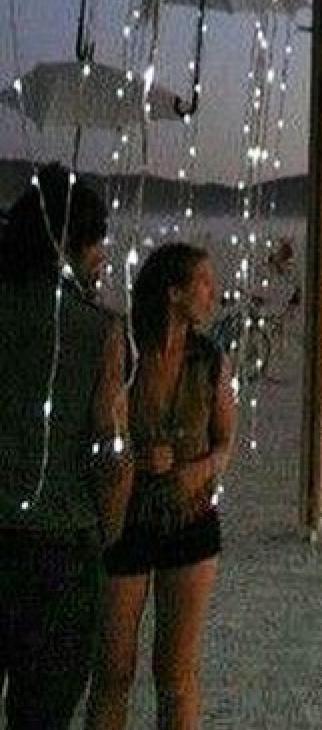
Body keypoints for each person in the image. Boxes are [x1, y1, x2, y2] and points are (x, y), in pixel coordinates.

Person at [0, 164, 131, 730]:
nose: (102, 255)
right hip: (58, 549)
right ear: (71, 243)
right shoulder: (97, 329)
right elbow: (110, 449)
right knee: (42, 713)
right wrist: (109, 528)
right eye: (96, 241)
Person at [87, 244, 235, 730]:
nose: (213, 293)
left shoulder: (209, 360)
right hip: (125, 518)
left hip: (191, 521)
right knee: (113, 670)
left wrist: (201, 469)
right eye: (203, 283)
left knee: (176, 673)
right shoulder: (126, 349)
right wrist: (132, 454)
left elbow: (225, 442)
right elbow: (102, 428)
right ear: (173, 292)